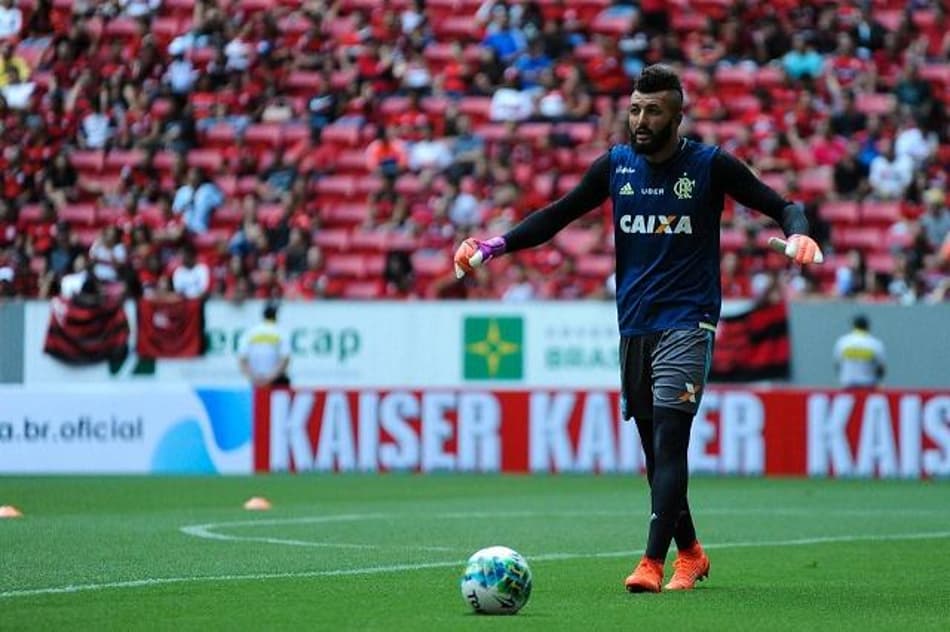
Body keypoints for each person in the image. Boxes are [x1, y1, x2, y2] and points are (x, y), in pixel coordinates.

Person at [453, 64, 823, 593]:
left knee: (671, 442)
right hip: (635, 326)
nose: (640, 119)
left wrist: (799, 235)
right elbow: (556, 216)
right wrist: (495, 245)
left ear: (677, 114)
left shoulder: (710, 166)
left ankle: (651, 563)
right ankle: (691, 553)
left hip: (688, 321)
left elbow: (783, 206)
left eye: (652, 110)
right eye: (634, 109)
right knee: (655, 453)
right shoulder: (616, 166)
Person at [238, 302, 291, 387]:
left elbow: (242, 359)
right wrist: (269, 378)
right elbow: (285, 360)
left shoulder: (250, 332)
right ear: (276, 315)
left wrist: (253, 377)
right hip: (275, 381)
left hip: (255, 380)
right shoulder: (281, 333)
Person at [833, 315, 885, 389]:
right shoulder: (875, 344)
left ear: (853, 326)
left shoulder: (843, 342)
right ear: (868, 327)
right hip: (868, 385)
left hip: (847, 385)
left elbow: (837, 365)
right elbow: (880, 369)